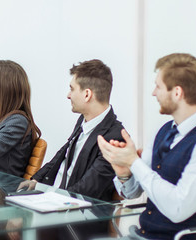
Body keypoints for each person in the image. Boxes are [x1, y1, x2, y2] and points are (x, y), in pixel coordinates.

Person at [97, 53, 196, 240]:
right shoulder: (163, 131)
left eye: (158, 86)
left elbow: (178, 209)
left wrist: (134, 162)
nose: (154, 93)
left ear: (177, 92)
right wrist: (125, 172)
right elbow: (132, 192)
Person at [17, 59, 125, 239]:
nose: (68, 95)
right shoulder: (84, 122)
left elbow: (85, 191)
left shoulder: (114, 136)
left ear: (87, 94)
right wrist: (37, 181)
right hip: (56, 209)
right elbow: (62, 155)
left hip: (77, 223)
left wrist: (45, 194)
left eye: (72, 89)